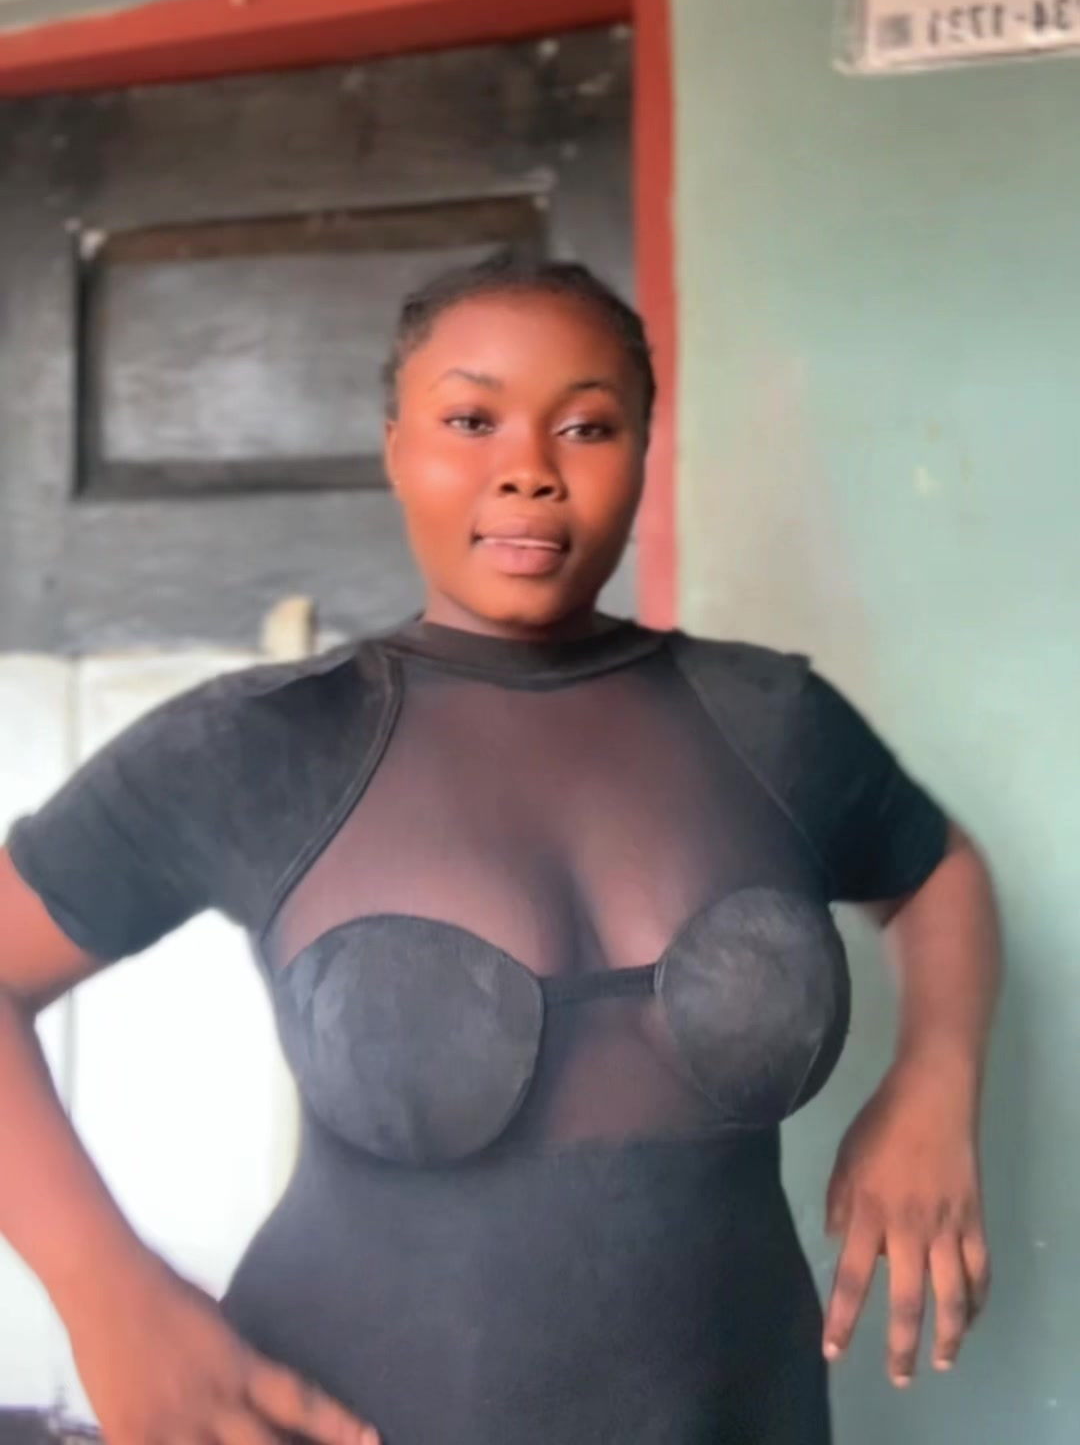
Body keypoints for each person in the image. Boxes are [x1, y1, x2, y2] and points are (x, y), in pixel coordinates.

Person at [0, 252, 1001, 1445]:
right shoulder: (264, 745)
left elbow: (938, 874)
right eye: (472, 421)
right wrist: (106, 1293)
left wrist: (936, 1080)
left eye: (586, 426)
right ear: (396, 450)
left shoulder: (772, 724)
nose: (529, 470)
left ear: (643, 452)